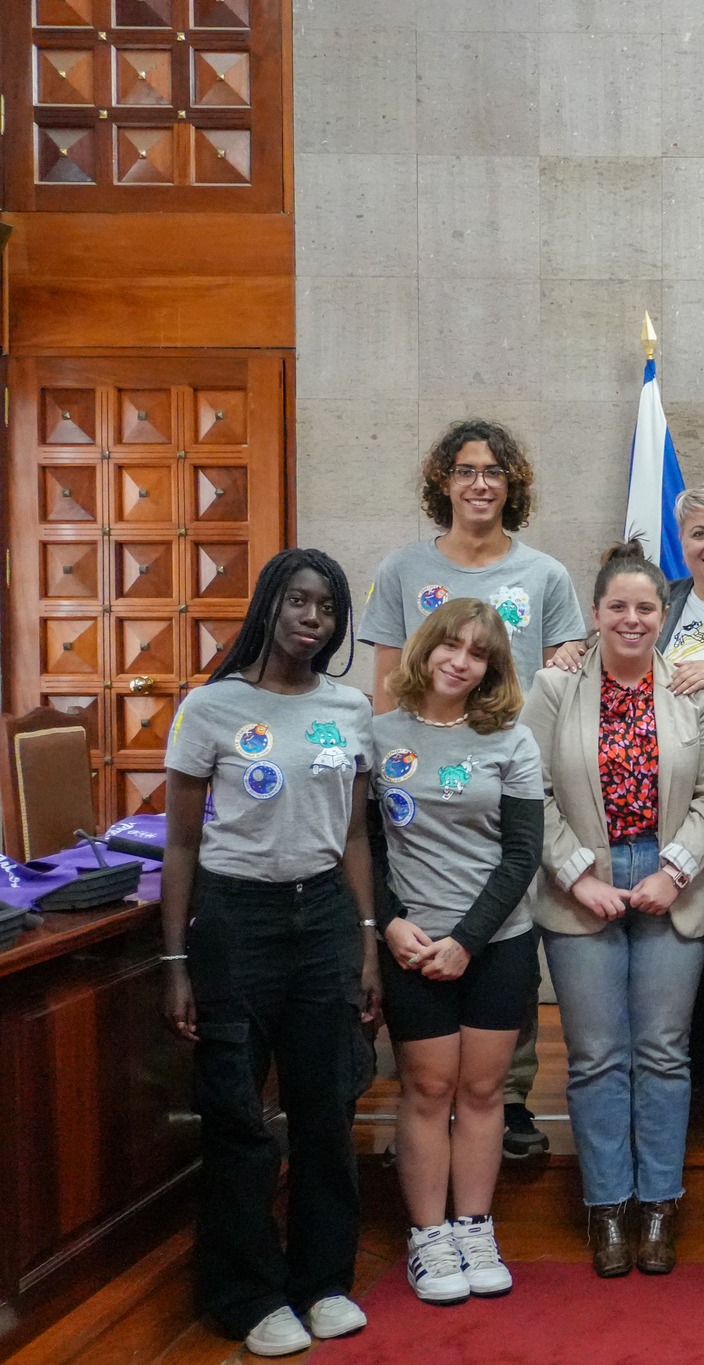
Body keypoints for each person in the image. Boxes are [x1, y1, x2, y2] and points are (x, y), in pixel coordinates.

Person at [158, 549, 379, 1357]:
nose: (312, 616)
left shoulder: (349, 708)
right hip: (234, 919)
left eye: (327, 605)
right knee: (238, 1115)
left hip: (322, 915)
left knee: (327, 1107)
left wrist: (365, 942)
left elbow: (355, 834)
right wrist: (174, 961)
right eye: (298, 600)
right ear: (269, 605)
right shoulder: (210, 708)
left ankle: (321, 1281)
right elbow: (180, 844)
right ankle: (247, 1294)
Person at [359, 418, 585, 1163]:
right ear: (443, 483)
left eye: (493, 470)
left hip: (511, 769)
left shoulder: (545, 575)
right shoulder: (401, 570)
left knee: (503, 923)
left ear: (511, 484)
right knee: (417, 923)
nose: (479, 482)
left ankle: (510, 1093)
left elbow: (560, 686)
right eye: (464, 469)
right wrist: (392, 765)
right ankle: (422, 1099)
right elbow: (388, 681)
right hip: (416, 774)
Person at [521, 540, 704, 1278]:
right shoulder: (554, 687)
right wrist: (578, 874)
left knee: (664, 1054)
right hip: (583, 886)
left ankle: (660, 1206)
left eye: (646, 607)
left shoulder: (693, 689)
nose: (632, 619)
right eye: (617, 607)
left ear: (663, 615)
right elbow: (531, 791)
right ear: (596, 614)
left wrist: (674, 870)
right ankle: (608, 1208)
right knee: (596, 1055)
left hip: (673, 883)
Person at [550, 482, 704, 1167]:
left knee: (692, 1023)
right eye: (698, 531)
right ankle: (613, 1195)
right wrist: (568, 651)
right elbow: (533, 783)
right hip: (609, 855)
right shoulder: (663, 605)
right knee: (605, 1048)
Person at [372, 599, 543, 1306]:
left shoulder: (510, 739)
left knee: (480, 1090)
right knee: (428, 1088)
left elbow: (523, 852)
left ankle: (473, 1226)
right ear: (426, 648)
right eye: (450, 645)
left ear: (491, 667)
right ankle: (428, 1235)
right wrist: (388, 923)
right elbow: (365, 848)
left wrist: (467, 941)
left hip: (495, 942)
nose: (460, 660)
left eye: (477, 652)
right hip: (411, 942)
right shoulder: (378, 734)